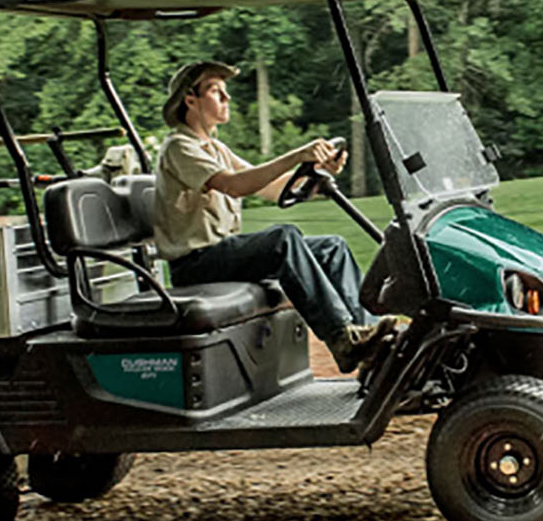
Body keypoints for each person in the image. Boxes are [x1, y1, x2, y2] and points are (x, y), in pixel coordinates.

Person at [152, 60, 397, 372]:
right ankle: (341, 338)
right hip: (196, 264)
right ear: (190, 100)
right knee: (283, 239)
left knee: (332, 247)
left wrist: (318, 175)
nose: (227, 98)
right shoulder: (179, 147)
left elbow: (271, 187)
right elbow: (235, 185)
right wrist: (297, 155)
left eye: (226, 92)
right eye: (216, 92)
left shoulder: (215, 148)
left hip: (222, 256)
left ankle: (377, 350)